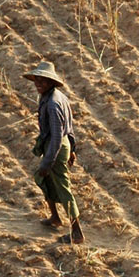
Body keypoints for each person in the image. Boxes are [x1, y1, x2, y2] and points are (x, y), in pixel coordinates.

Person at [25, 61, 83, 244]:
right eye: (37, 79)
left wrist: (47, 162)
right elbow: (70, 128)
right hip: (58, 145)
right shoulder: (56, 97)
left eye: (43, 80)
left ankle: (76, 233)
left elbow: (58, 137)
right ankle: (55, 218)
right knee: (47, 180)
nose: (38, 83)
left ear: (51, 82)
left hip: (55, 147)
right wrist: (72, 149)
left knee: (62, 187)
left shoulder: (52, 104)